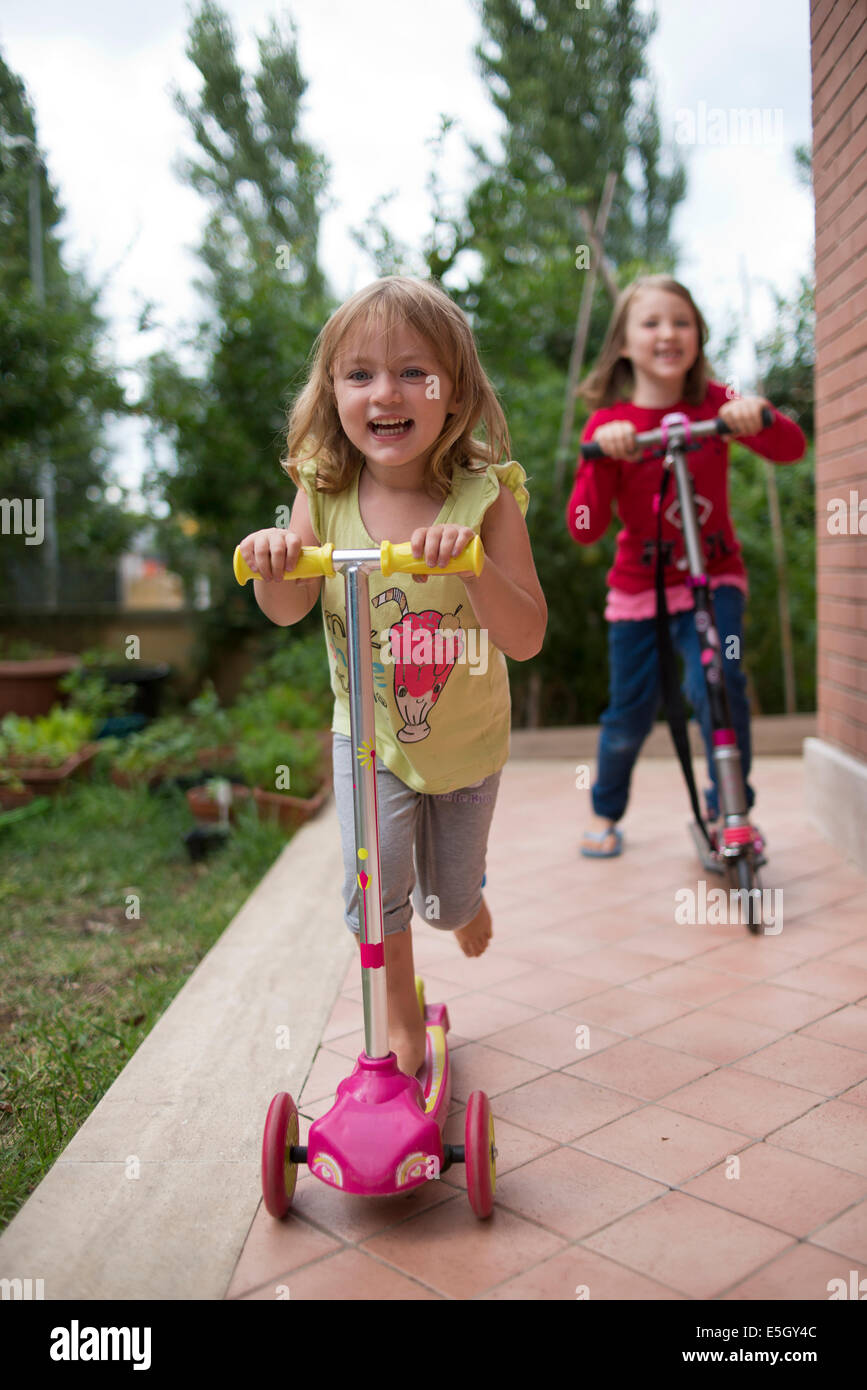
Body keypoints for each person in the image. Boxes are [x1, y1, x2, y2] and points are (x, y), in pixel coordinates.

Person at [238, 276, 547, 1076]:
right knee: (372, 893)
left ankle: (466, 897)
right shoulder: (323, 488)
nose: (387, 392)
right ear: (333, 392)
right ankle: (402, 1021)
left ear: (455, 394)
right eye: (360, 373)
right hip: (367, 735)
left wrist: (474, 565)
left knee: (441, 901)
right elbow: (285, 606)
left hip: (465, 742)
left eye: (415, 371)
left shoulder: (484, 498)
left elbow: (525, 637)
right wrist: (275, 559)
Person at [565, 274, 806, 858]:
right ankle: (606, 807)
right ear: (623, 342)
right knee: (631, 708)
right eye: (651, 323)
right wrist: (604, 455)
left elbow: (792, 448)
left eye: (681, 321)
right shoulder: (609, 423)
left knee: (721, 681)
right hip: (639, 591)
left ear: (698, 335)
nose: (668, 333)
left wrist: (760, 416)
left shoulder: (715, 404)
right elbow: (584, 527)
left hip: (712, 580)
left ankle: (731, 807)